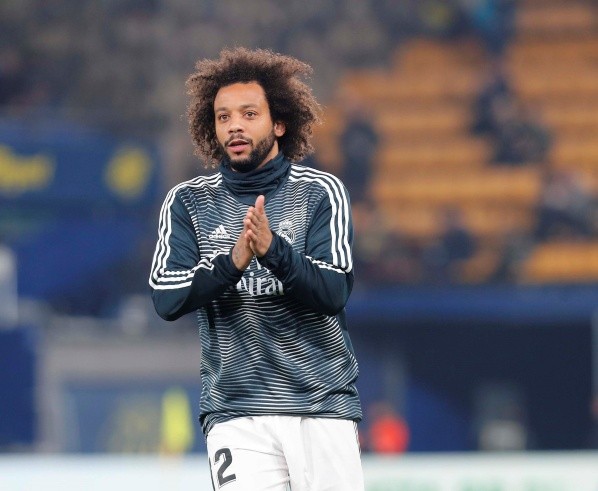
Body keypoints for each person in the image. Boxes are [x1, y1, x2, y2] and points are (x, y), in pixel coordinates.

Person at [149, 47, 363, 490]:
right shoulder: (188, 201)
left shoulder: (320, 192)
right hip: (235, 413)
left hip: (319, 406)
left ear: (279, 123)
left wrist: (272, 251)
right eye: (223, 117)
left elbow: (333, 292)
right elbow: (167, 299)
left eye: (249, 114)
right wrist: (234, 262)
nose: (235, 126)